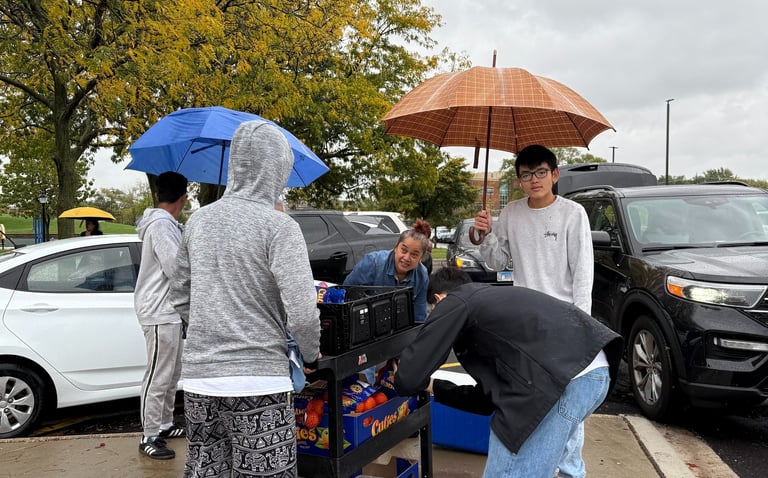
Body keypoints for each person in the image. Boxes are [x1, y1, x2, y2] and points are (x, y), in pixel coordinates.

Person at [169, 121, 320, 477]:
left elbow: (179, 294)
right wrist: (311, 354)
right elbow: (301, 311)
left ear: (234, 164)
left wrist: (211, 324)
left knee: (208, 471)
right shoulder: (279, 226)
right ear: (278, 169)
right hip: (259, 382)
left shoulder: (198, 221)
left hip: (201, 382)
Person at [394, 267, 622, 478]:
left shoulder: (457, 301)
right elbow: (486, 400)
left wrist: (403, 373)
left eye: (434, 311)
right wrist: (432, 386)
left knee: (508, 471)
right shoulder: (491, 306)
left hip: (559, 381)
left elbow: (408, 378)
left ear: (438, 299)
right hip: (593, 372)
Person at [474, 145, 594, 475]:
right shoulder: (511, 213)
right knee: (529, 398)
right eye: (526, 175)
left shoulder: (573, 214)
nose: (534, 179)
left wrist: (581, 326)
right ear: (519, 181)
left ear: (554, 175)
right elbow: (497, 262)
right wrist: (485, 235)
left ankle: (571, 472)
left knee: (567, 403)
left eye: (541, 172)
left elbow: (583, 272)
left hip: (564, 322)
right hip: (524, 324)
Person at [134, 171, 189, 460]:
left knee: (171, 373)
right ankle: (149, 435)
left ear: (157, 194)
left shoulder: (167, 225)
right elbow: (175, 269)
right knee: (158, 374)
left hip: (169, 310)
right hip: (159, 310)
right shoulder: (162, 226)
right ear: (184, 198)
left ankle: (165, 424)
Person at [343, 228, 429, 324]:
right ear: (396, 248)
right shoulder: (373, 262)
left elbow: (419, 314)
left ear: (420, 258)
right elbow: (346, 293)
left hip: (398, 325)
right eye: (404, 250)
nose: (406, 258)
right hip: (365, 321)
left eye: (414, 255)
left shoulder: (422, 275)